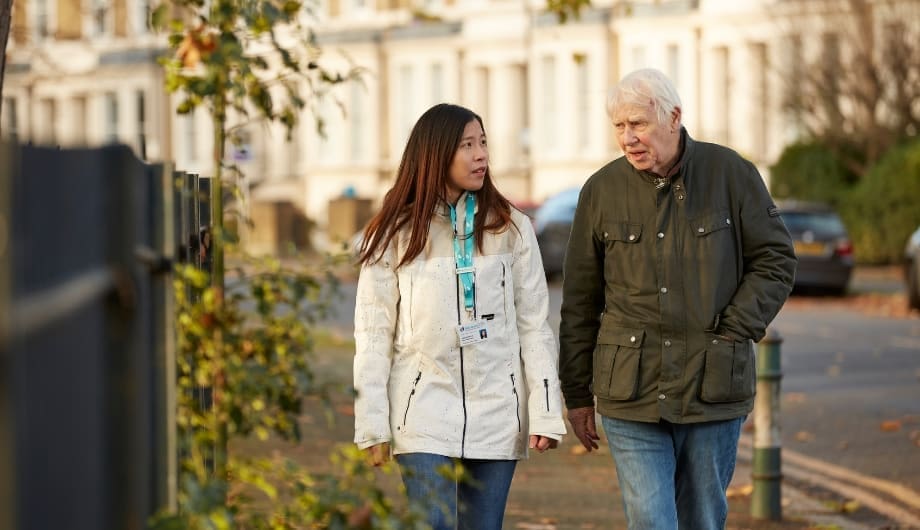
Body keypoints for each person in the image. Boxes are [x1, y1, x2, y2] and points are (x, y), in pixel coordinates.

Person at [558, 68, 797, 530]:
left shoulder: (731, 174)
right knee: (652, 520)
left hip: (713, 389)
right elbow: (580, 301)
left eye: (638, 124)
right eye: (619, 127)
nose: (628, 138)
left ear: (674, 118)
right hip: (630, 393)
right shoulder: (600, 191)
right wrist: (576, 394)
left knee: (703, 519)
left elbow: (776, 259)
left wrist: (735, 329)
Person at [353, 103, 566, 530]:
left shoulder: (513, 228)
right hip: (422, 408)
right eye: (467, 145)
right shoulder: (394, 232)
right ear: (435, 154)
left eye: (483, 143)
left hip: (497, 411)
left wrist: (545, 409)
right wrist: (371, 422)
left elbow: (534, 327)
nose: (481, 155)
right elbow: (373, 332)